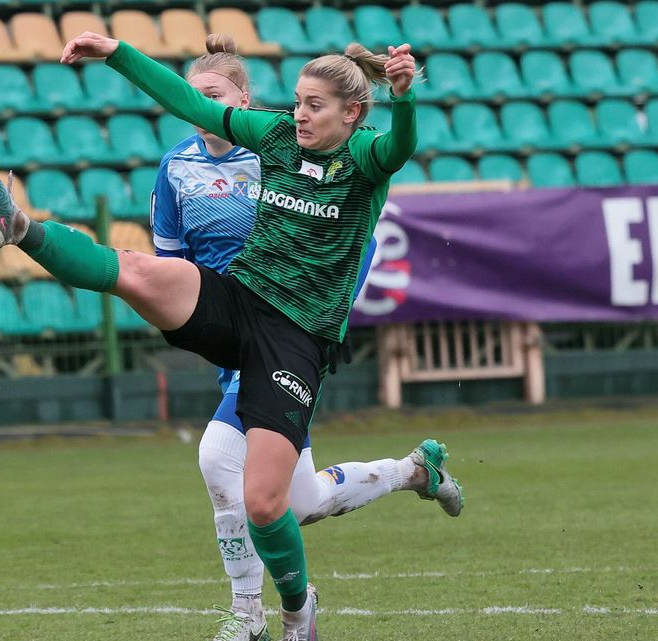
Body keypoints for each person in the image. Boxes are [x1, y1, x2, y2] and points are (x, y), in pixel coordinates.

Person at [0, 31, 428, 641]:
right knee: (135, 271)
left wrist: (404, 97)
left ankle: (296, 613)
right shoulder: (274, 136)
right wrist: (117, 53)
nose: (300, 114)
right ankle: (18, 226)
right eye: (296, 101)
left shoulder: (367, 157)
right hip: (240, 298)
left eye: (314, 105)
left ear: (352, 112)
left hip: (297, 339)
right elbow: (192, 105)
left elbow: (401, 146)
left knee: (270, 505)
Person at [150, 35, 463, 641]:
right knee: (295, 505)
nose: (200, 105)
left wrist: (322, 305)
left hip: (288, 333)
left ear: (245, 100)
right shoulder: (178, 167)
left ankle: (250, 617)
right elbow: (172, 259)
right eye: (194, 97)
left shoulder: (277, 148)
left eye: (211, 96)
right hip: (231, 321)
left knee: (219, 459)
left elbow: (358, 217)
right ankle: (412, 472)